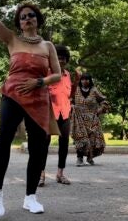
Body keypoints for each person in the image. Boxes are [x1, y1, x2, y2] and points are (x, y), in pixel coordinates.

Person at [0, 0, 61, 218]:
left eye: (31, 15)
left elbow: (57, 75)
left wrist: (40, 83)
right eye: (23, 17)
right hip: (13, 94)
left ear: (37, 20)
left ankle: (30, 197)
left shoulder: (47, 45)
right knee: (4, 139)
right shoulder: (11, 40)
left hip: (39, 97)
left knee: (39, 147)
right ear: (19, 22)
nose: (27, 19)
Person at [39, 45, 80, 187]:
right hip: (50, 114)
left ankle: (60, 174)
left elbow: (70, 94)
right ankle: (41, 174)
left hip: (65, 113)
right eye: (58, 58)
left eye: (63, 59)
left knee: (64, 144)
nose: (61, 61)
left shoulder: (68, 75)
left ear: (67, 60)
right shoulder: (48, 74)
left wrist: (76, 82)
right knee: (44, 144)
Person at [71, 73, 109, 166]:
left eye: (87, 79)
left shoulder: (94, 90)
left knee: (92, 139)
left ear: (90, 80)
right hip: (78, 118)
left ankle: (89, 157)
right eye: (83, 79)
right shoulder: (76, 89)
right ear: (80, 80)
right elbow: (69, 99)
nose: (85, 81)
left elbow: (103, 101)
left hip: (92, 118)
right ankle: (79, 158)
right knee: (80, 138)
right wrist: (71, 105)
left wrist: (100, 110)